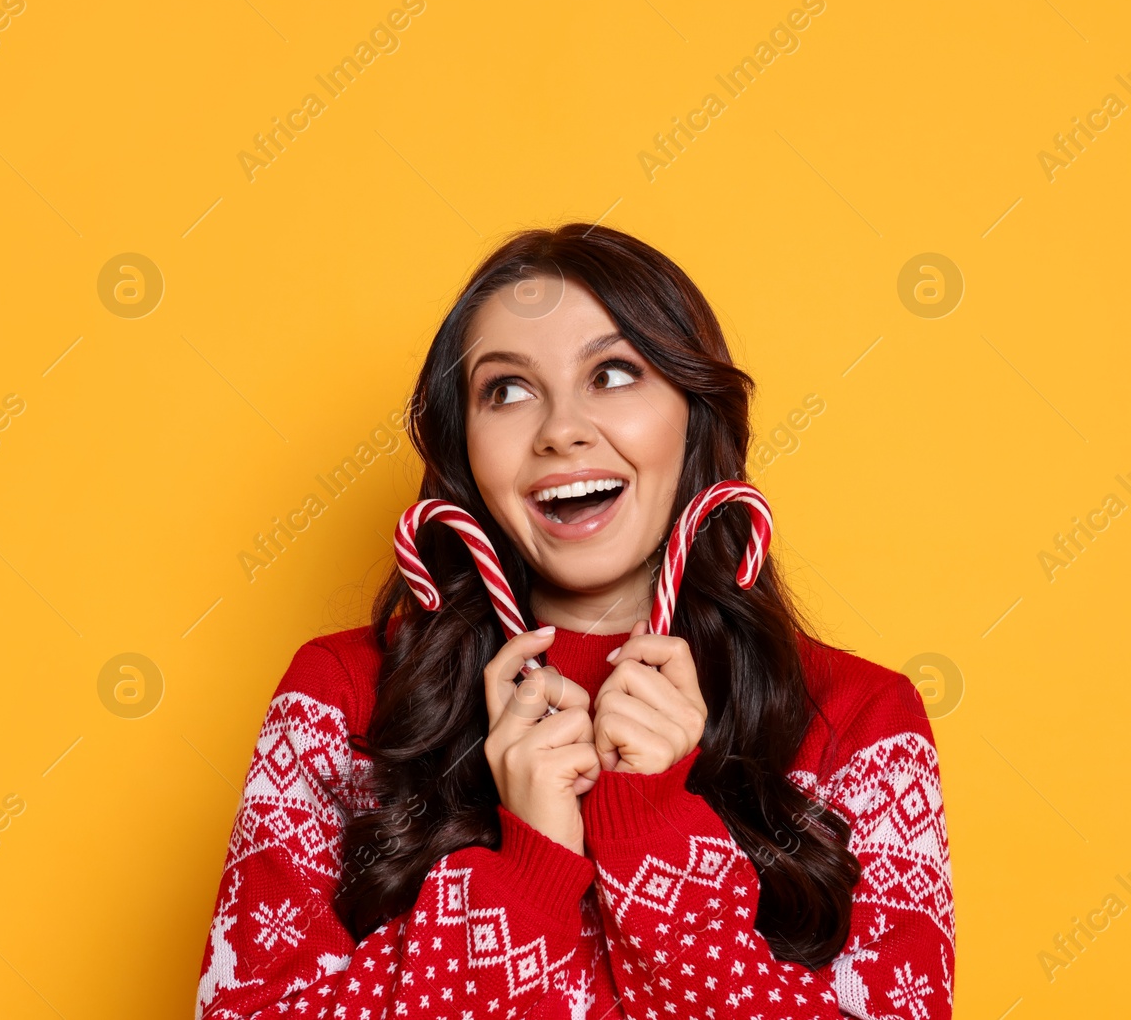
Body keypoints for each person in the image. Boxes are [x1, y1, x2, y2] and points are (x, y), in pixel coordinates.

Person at [192, 223, 954, 1019]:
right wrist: (526, 874)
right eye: (508, 391)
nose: (561, 429)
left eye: (614, 374)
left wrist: (655, 831)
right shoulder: (338, 700)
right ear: (466, 449)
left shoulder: (861, 721)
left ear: (694, 416)